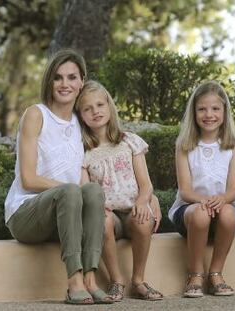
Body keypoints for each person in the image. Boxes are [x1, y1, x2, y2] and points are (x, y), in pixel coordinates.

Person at [4, 50, 112, 304]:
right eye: (58, 78)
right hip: (26, 214)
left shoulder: (80, 122)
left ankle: (90, 279)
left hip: (66, 215)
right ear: (49, 82)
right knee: (72, 190)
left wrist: (145, 196)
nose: (65, 84)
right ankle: (74, 282)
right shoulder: (36, 114)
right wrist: (70, 190)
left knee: (94, 191)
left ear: (81, 81)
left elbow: (92, 170)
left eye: (72, 77)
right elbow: (29, 179)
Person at [75, 80, 163, 301]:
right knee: (101, 220)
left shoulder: (129, 142)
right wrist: (96, 207)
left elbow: (146, 185)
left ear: (109, 106)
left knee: (143, 219)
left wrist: (144, 201)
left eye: (100, 105)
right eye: (88, 108)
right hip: (110, 215)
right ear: (81, 115)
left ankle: (138, 280)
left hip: (133, 209)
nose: (95, 111)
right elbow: (85, 188)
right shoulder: (83, 152)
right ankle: (117, 280)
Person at [168, 81, 235, 298]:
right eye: (202, 109)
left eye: (215, 109)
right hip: (190, 213)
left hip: (221, 209)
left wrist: (220, 200)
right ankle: (195, 275)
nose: (208, 114)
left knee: (229, 212)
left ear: (224, 111)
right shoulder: (185, 145)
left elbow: (233, 190)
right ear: (194, 112)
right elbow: (185, 191)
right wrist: (205, 202)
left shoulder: (234, 145)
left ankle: (216, 273)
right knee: (201, 214)